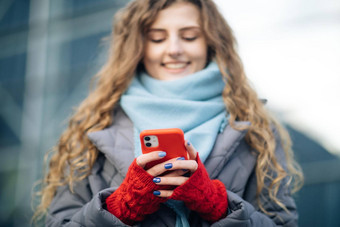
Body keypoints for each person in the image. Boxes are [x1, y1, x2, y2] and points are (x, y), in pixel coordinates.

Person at [33, 0, 303, 226]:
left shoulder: (256, 129)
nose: (174, 49)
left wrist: (217, 204)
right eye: (157, 38)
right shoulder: (92, 125)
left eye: (189, 36)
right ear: (138, 47)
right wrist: (120, 207)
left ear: (211, 43)